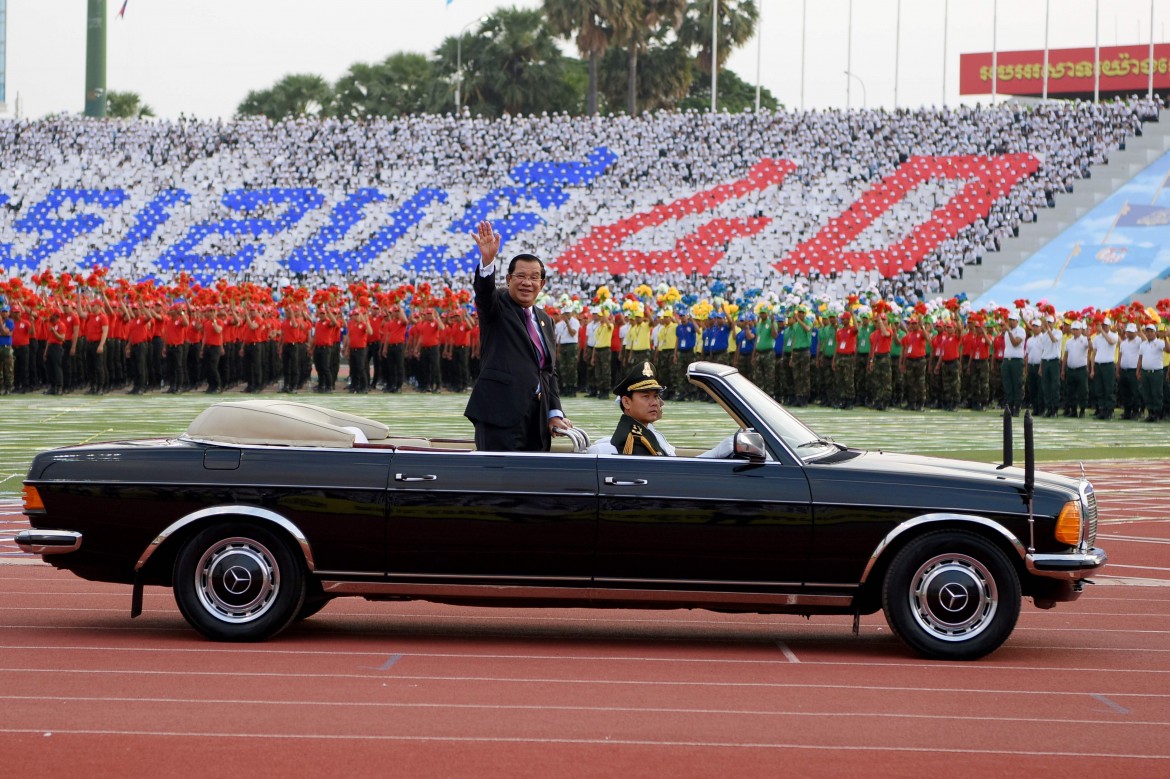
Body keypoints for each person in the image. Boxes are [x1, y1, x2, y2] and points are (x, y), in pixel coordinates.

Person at [464, 220, 572, 452]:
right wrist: (487, 261)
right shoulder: (497, 307)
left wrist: (554, 413)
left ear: (541, 284)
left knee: (531, 483)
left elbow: (547, 372)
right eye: (520, 276)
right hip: (499, 415)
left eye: (534, 277)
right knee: (497, 482)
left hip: (538, 419)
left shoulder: (546, 320)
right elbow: (484, 294)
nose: (527, 282)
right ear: (508, 279)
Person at [587, 360, 732, 457]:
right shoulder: (633, 439)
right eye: (646, 397)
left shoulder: (648, 432)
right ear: (626, 402)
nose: (655, 402)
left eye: (656, 396)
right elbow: (673, 472)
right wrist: (717, 453)